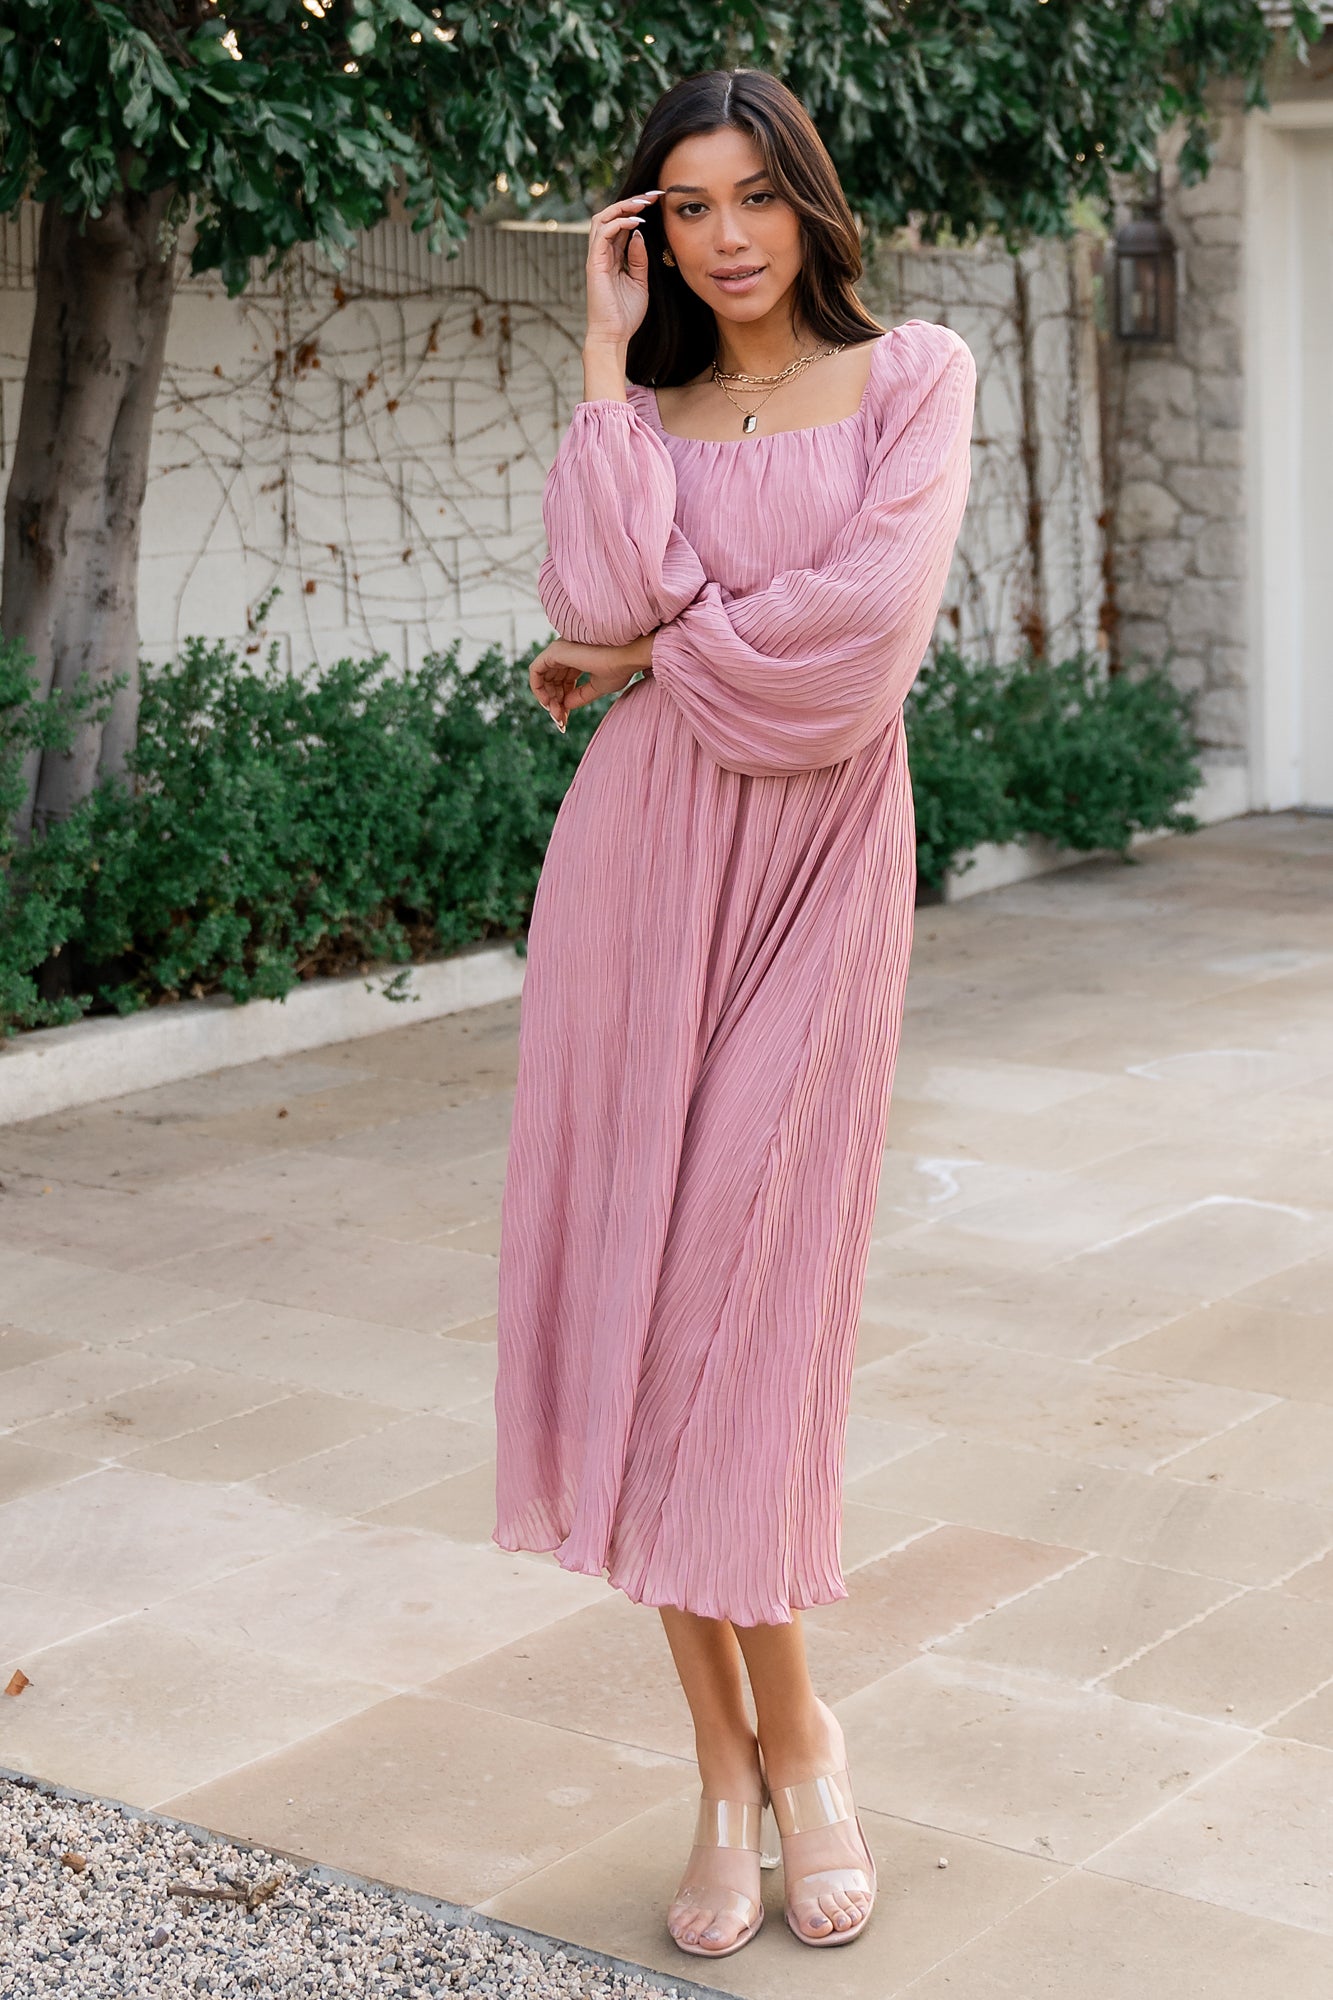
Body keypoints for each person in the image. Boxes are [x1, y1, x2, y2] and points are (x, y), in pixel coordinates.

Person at [492, 65, 975, 1962]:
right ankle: (737, 1770)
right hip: (638, 881)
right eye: (684, 209)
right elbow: (582, 588)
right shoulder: (648, 411)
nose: (727, 237)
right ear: (650, 236)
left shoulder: (917, 375)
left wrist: (644, 647)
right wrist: (608, 376)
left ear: (811, 202)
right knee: (635, 1324)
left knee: (722, 1330)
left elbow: (845, 665)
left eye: (754, 194)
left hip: (813, 883)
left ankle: (806, 1739)